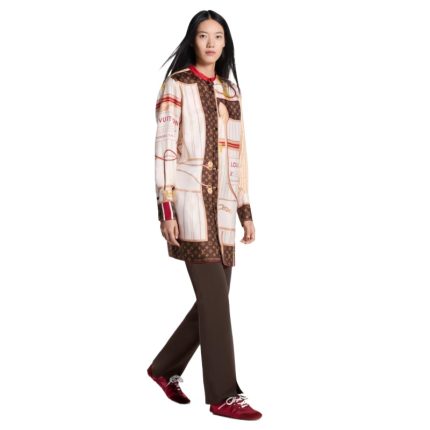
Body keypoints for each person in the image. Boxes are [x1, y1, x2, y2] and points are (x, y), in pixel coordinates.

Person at [148, 10, 262, 421]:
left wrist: (246, 209)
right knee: (215, 302)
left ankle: (164, 368)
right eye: (202, 35)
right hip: (190, 205)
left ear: (226, 43)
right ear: (192, 40)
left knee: (213, 302)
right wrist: (166, 208)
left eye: (218, 36)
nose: (210, 43)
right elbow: (165, 149)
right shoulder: (176, 85)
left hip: (225, 211)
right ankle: (224, 394)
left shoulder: (231, 91)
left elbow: (239, 156)